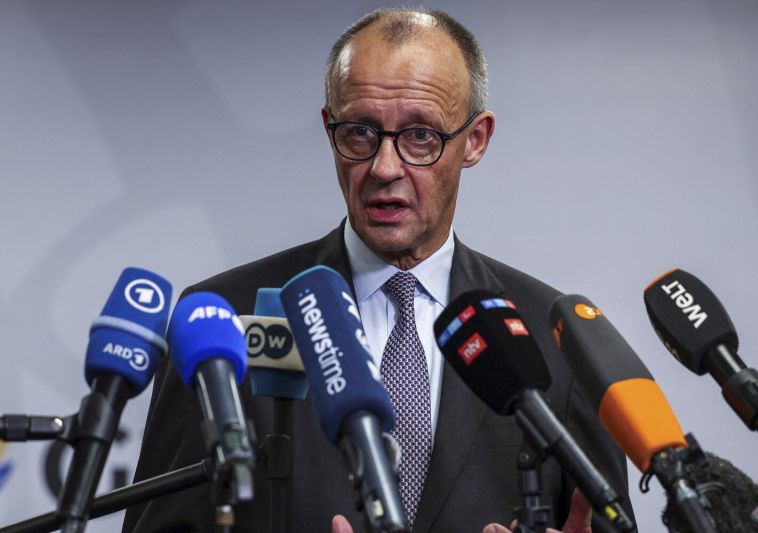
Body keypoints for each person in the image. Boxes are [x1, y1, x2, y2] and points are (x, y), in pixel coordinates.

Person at [122, 7, 633, 533]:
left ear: (476, 139)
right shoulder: (220, 320)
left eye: (420, 135)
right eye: (360, 132)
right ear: (330, 129)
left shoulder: (554, 340)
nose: (385, 168)